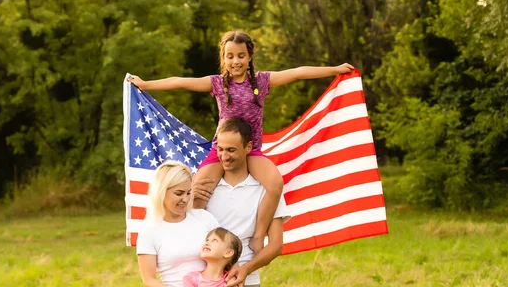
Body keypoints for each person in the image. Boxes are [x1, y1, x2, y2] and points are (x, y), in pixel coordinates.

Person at [128, 29, 352, 254]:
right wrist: (146, 84)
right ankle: (197, 240)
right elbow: (181, 82)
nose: (235, 61)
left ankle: (258, 235)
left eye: (241, 56)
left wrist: (335, 70)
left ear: (249, 57)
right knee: (197, 191)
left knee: (275, 184)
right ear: (223, 58)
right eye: (230, 56)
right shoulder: (217, 84)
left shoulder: (261, 81)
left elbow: (297, 72)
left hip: (250, 150)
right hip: (221, 149)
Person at [193, 117, 289, 287]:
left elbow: (277, 245)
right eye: (220, 149)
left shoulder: (265, 190)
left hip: (246, 286)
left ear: (248, 148)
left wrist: (246, 269)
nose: (224, 156)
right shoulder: (206, 189)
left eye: (232, 150)